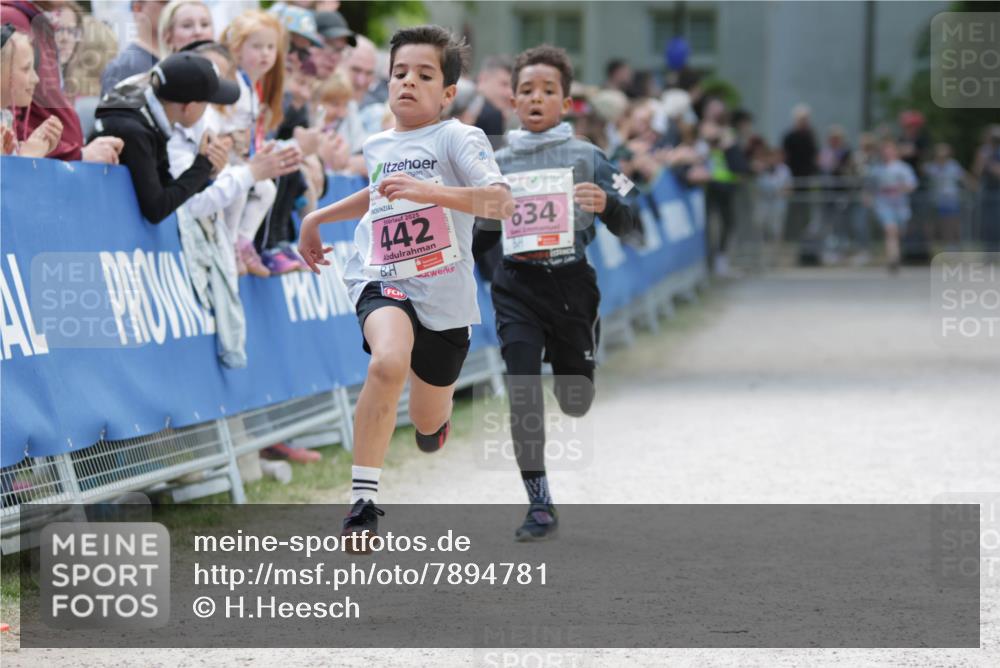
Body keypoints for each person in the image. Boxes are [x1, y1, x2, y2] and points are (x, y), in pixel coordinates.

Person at [298, 25, 513, 549]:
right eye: (399, 73)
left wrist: (428, 191)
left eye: (424, 75)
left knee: (426, 420)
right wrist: (317, 218)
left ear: (447, 92)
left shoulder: (459, 138)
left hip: (445, 298)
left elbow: (500, 202)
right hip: (382, 274)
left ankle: (433, 425)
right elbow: (380, 195)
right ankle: (362, 504)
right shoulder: (377, 141)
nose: (408, 82)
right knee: (388, 361)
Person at [472, 44, 640, 541]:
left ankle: (582, 357)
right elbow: (481, 235)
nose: (536, 98)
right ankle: (539, 503)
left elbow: (636, 215)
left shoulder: (589, 156)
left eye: (548, 91)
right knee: (522, 389)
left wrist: (608, 204)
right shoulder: (496, 162)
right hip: (517, 285)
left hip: (571, 286)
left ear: (565, 103)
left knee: (574, 400)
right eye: (526, 90)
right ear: (513, 101)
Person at [92, 52, 236, 223]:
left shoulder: (148, 107)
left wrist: (206, 173)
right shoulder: (135, 132)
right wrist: (202, 165)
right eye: (206, 104)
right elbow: (156, 209)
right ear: (189, 107)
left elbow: (167, 189)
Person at [1, 0, 120, 163]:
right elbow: (10, 111)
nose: (35, 78)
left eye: (72, 32)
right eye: (26, 68)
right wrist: (76, 155)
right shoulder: (12, 17)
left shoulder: (34, 18)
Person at [219, 9, 288, 275]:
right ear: (237, 50)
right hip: (225, 160)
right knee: (239, 188)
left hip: (241, 159)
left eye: (270, 47)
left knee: (267, 189)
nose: (265, 54)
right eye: (257, 47)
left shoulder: (253, 87)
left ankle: (243, 241)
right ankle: (228, 245)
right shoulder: (232, 84)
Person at [1, 25, 63, 157]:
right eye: (26, 69)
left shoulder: (5, 118)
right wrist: (27, 156)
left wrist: (35, 144)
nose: (36, 79)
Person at [869, 139, 917, 273]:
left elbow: (912, 185)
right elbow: (871, 186)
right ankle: (893, 259)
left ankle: (897, 254)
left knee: (898, 233)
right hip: (883, 204)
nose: (886, 153)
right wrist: (868, 196)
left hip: (900, 205)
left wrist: (902, 188)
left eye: (889, 150)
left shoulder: (903, 168)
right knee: (890, 230)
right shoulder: (877, 169)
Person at [100, 0, 165, 95]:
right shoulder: (122, 67)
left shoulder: (175, 58)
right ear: (138, 8)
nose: (172, 6)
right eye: (164, 2)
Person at [924, 143, 967, 250]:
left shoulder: (953, 165)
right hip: (936, 200)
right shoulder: (931, 166)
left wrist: (974, 186)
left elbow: (963, 177)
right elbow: (923, 169)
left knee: (952, 222)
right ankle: (942, 245)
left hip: (951, 199)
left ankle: (953, 245)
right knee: (939, 224)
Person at [473, 55, 513, 149]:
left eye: (513, 87)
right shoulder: (493, 115)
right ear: (483, 79)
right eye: (504, 84)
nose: (510, 92)